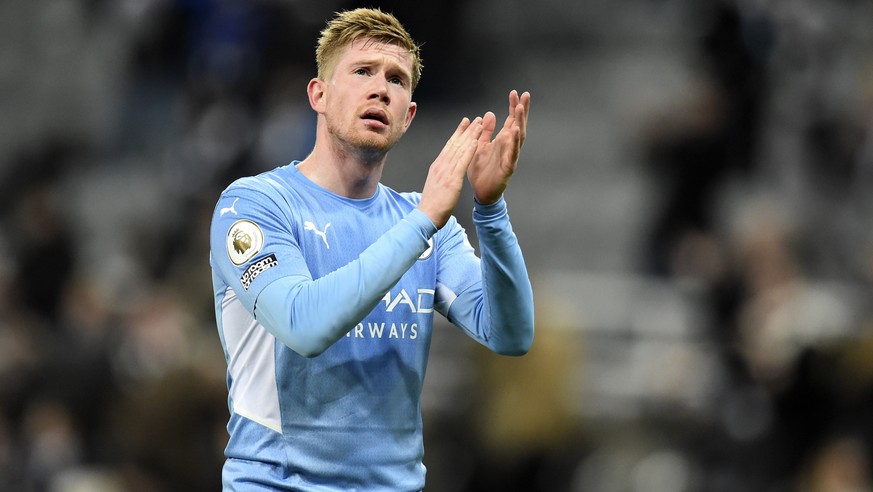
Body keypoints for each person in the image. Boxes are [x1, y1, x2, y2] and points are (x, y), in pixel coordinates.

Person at [209, 7, 534, 491]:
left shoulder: (426, 227)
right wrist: (424, 220)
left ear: (409, 114)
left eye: (397, 79)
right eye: (363, 72)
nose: (381, 88)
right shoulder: (254, 205)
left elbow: (510, 333)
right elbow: (304, 325)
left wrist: (489, 208)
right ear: (318, 94)